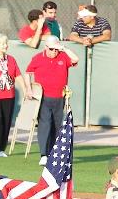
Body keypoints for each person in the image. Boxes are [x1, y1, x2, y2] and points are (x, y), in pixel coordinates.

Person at [25, 35, 79, 165]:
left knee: (56, 125)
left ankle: (53, 152)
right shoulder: (38, 58)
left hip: (59, 97)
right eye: (51, 49)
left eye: (56, 49)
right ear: (46, 47)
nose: (54, 52)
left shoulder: (63, 56)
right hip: (43, 97)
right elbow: (28, 72)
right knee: (45, 124)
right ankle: (44, 154)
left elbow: (76, 59)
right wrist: (28, 88)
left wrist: (64, 48)